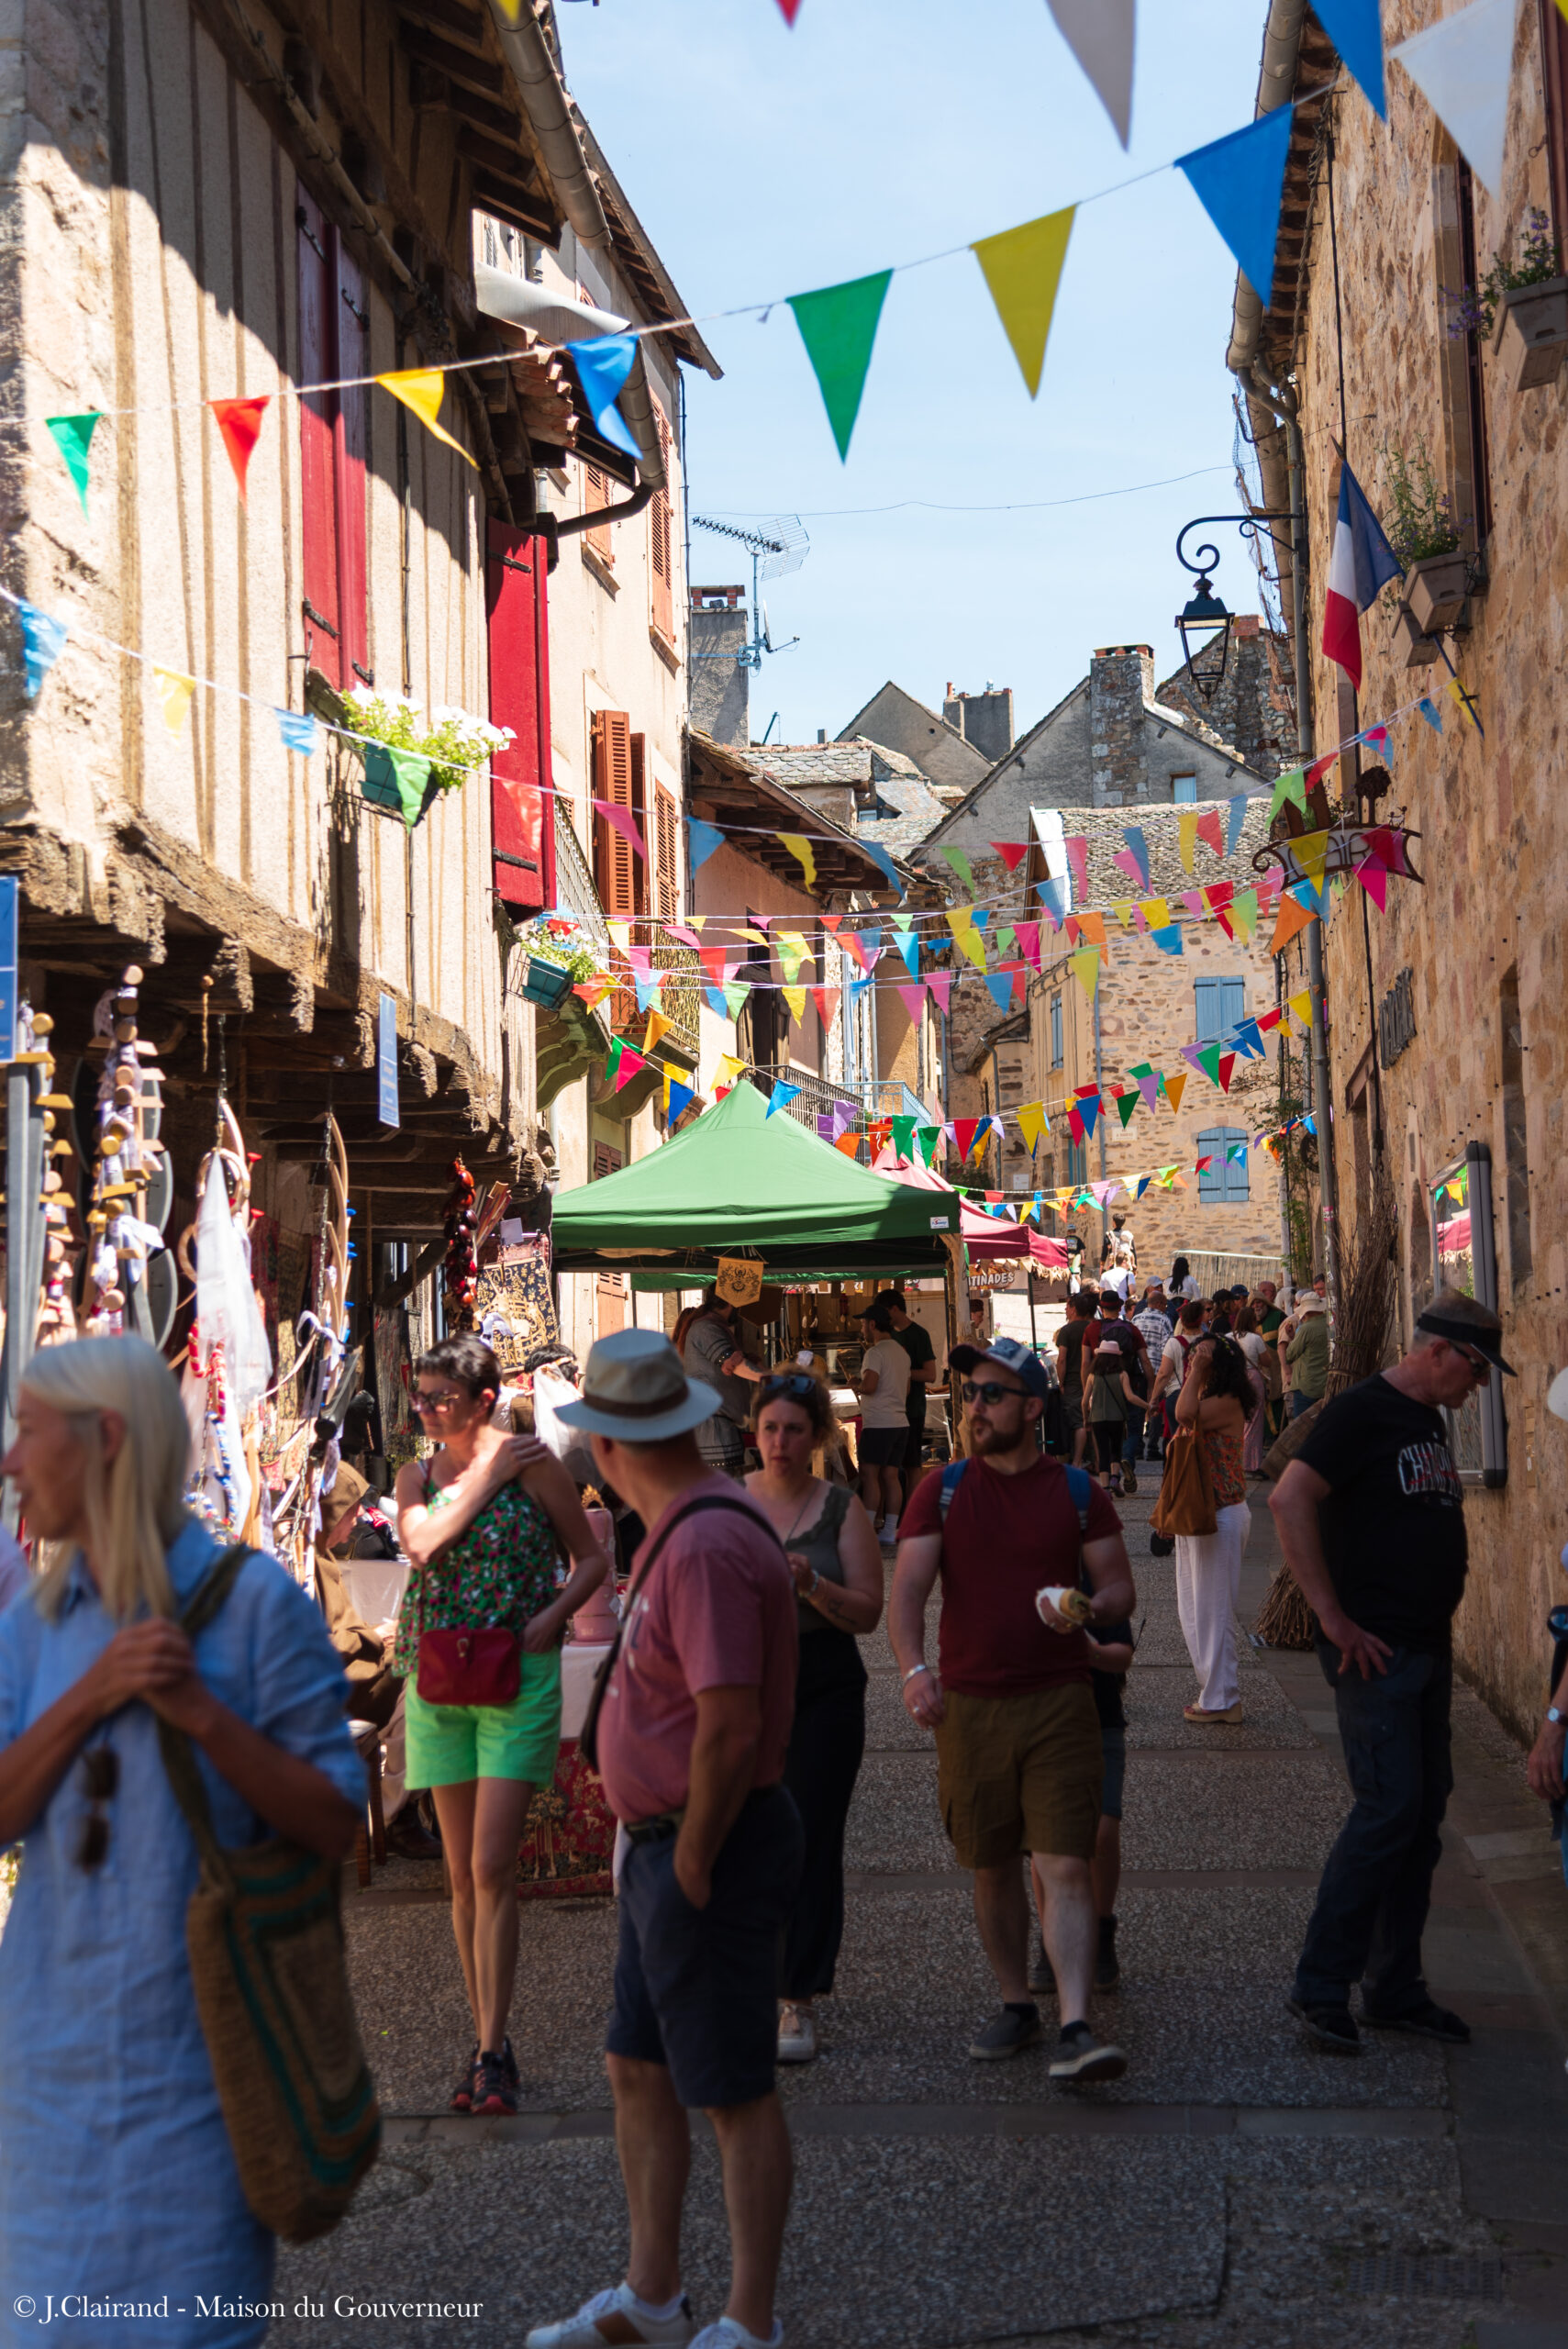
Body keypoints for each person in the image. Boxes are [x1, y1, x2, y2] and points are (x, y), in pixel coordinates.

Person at [0, 1334, 365, 2345]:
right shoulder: (33, 1627)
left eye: (28, 1432)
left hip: (204, 2087)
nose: (11, 1461)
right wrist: (91, 1695)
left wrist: (200, 1714)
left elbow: (335, 1822)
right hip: (42, 2087)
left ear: (106, 1439)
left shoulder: (254, 1608)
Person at [530, 1331, 802, 2349]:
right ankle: (652, 2294)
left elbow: (729, 1723)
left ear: (606, 1447)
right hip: (668, 1844)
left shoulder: (700, 1542)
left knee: (731, 2087)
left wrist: (688, 1860)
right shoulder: (684, 1529)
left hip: (704, 1843)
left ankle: (749, 2318)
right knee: (636, 2063)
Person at [1271, 1289, 1513, 2055]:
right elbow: (1288, 1498)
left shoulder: (1425, 1419)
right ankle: (1320, 1986)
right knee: (1386, 1812)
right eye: (1475, 1367)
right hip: (1373, 1651)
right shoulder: (1361, 1412)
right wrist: (1331, 1617)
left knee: (1419, 1819)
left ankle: (1394, 1986)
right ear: (1436, 1351)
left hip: (1424, 1647)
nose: (1479, 1383)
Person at [889, 1336, 1135, 2083]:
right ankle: (1015, 2004)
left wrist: (1086, 1609)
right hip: (969, 1706)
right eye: (969, 1393)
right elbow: (908, 1592)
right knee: (991, 1864)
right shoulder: (940, 1490)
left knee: (1063, 1861)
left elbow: (1119, 1589)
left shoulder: (1077, 1492)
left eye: (991, 1394)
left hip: (1060, 1700)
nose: (974, 1406)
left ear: (1032, 1408)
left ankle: (1075, 2023)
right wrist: (913, 1670)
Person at [394, 1334, 612, 2119]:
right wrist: (485, 1474)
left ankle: (491, 2048)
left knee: (491, 1866)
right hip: (439, 1680)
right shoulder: (418, 1475)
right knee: (459, 1877)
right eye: (420, 1396)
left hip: (517, 1677)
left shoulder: (537, 1466)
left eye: (441, 1398)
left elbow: (591, 1559)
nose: (426, 1409)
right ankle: (487, 2039)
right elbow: (422, 1542)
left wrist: (556, 1616)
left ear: (484, 1400)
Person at [744, 1374, 882, 2064]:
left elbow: (868, 1613)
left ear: (818, 1436)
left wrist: (812, 1585)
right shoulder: (730, 1502)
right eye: (770, 1428)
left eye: (794, 1430)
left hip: (824, 1682)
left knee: (808, 1835)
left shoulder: (840, 1510)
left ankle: (795, 1994)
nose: (780, 1442)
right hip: (744, 1682)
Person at [1172, 1335, 1254, 1725]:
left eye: (1200, 1359)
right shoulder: (1213, 1399)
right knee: (1194, 1609)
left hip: (1220, 1515)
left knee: (1213, 1611)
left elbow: (1183, 1413)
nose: (1192, 1364)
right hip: (1201, 1512)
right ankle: (1214, 1692)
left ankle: (1224, 1698)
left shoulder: (1227, 1402)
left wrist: (1197, 1370)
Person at [682, 1291, 766, 1477]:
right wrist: (771, 1379)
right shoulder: (705, 1328)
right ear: (731, 1302)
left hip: (720, 1429)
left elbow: (737, 1361)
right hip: (713, 1431)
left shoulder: (714, 1327)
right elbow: (733, 1364)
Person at [855, 1299, 911, 1546]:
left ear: (872, 1324)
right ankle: (889, 1531)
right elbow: (906, 1389)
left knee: (869, 1475)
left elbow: (869, 1386)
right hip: (900, 1422)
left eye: (863, 1324)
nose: (862, 1329)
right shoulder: (901, 1352)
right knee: (891, 1476)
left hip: (879, 1423)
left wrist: (855, 1385)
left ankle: (867, 1531)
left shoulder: (875, 1353)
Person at [1088, 1291, 1152, 1495]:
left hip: (1101, 1387)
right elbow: (1145, 1361)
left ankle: (1106, 1484)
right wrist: (1151, 1389)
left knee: (1104, 1444)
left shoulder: (1092, 1329)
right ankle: (1125, 1459)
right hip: (1130, 1384)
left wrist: (1088, 1391)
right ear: (1120, 1307)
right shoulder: (1131, 1329)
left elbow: (1084, 1362)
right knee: (1132, 1430)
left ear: (1101, 1308)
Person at [876, 1287, 937, 1492]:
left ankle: (913, 1508)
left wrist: (901, 1371)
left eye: (884, 1312)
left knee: (912, 1465)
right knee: (887, 1467)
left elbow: (930, 1374)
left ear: (894, 1309)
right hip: (887, 1412)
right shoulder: (887, 1335)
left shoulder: (919, 1335)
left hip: (912, 1411)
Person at [1086, 1340, 1139, 1497]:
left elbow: (1084, 1401)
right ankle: (1115, 1478)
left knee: (1103, 1453)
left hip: (1097, 1419)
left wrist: (1085, 1418)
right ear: (1117, 1358)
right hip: (1117, 1418)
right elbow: (1130, 1397)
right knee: (1116, 1450)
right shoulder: (1122, 1374)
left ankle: (1105, 1489)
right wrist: (1148, 1406)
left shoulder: (1092, 1376)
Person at [1054, 1290, 1099, 1467]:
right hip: (1094, 1379)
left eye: (1067, 1306)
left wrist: (1061, 1382)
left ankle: (1077, 1461)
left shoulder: (1066, 1331)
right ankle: (1098, 1461)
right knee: (1094, 1422)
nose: (1065, 1310)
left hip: (1074, 1383)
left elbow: (1062, 1359)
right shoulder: (1094, 1328)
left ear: (1074, 1309)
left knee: (1079, 1423)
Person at [1233, 1306, 1272, 1477]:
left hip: (1234, 1379)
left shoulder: (1229, 1337)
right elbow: (1267, 1361)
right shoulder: (1255, 1338)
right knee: (1253, 1421)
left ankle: (1235, 1461)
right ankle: (1250, 1464)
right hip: (1252, 1378)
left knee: (1236, 1421)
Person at [1283, 1290, 1330, 1419]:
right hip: (1325, 1385)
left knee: (1303, 1426)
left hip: (1306, 1387)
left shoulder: (1305, 1328)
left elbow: (1289, 1355)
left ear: (1306, 1312)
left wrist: (1293, 1339)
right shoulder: (1329, 1325)